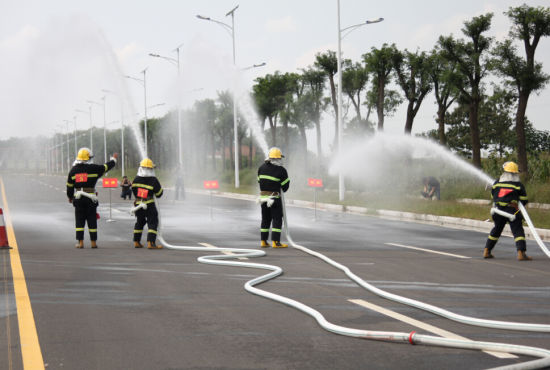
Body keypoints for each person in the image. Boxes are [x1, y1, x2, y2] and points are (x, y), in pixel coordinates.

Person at [66, 148, 117, 249]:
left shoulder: (73, 171)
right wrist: (114, 160)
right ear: (88, 158)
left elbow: (69, 186)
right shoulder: (94, 168)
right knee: (92, 219)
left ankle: (80, 243)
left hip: (79, 199)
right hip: (91, 199)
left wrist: (70, 197)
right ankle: (93, 242)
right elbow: (106, 167)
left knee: (79, 220)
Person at [483, 161, 531, 261]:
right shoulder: (518, 185)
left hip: (498, 211)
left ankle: (487, 251)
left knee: (496, 230)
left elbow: (493, 196)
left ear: (505, 172)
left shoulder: (496, 183)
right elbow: (524, 200)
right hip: (511, 211)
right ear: (515, 174)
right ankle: (521, 253)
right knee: (517, 231)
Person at [257, 147, 290, 248]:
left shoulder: (261, 168)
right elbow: (285, 187)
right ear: (278, 159)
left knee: (265, 219)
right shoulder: (281, 170)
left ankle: (263, 241)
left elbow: (259, 182)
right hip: (274, 199)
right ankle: (276, 242)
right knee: (277, 219)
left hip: (263, 198)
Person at [131, 158, 164, 249]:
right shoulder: (153, 180)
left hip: (138, 204)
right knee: (152, 222)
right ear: (151, 169)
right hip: (149, 204)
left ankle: (136, 242)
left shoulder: (136, 179)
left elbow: (133, 190)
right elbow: (159, 194)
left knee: (139, 222)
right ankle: (151, 243)